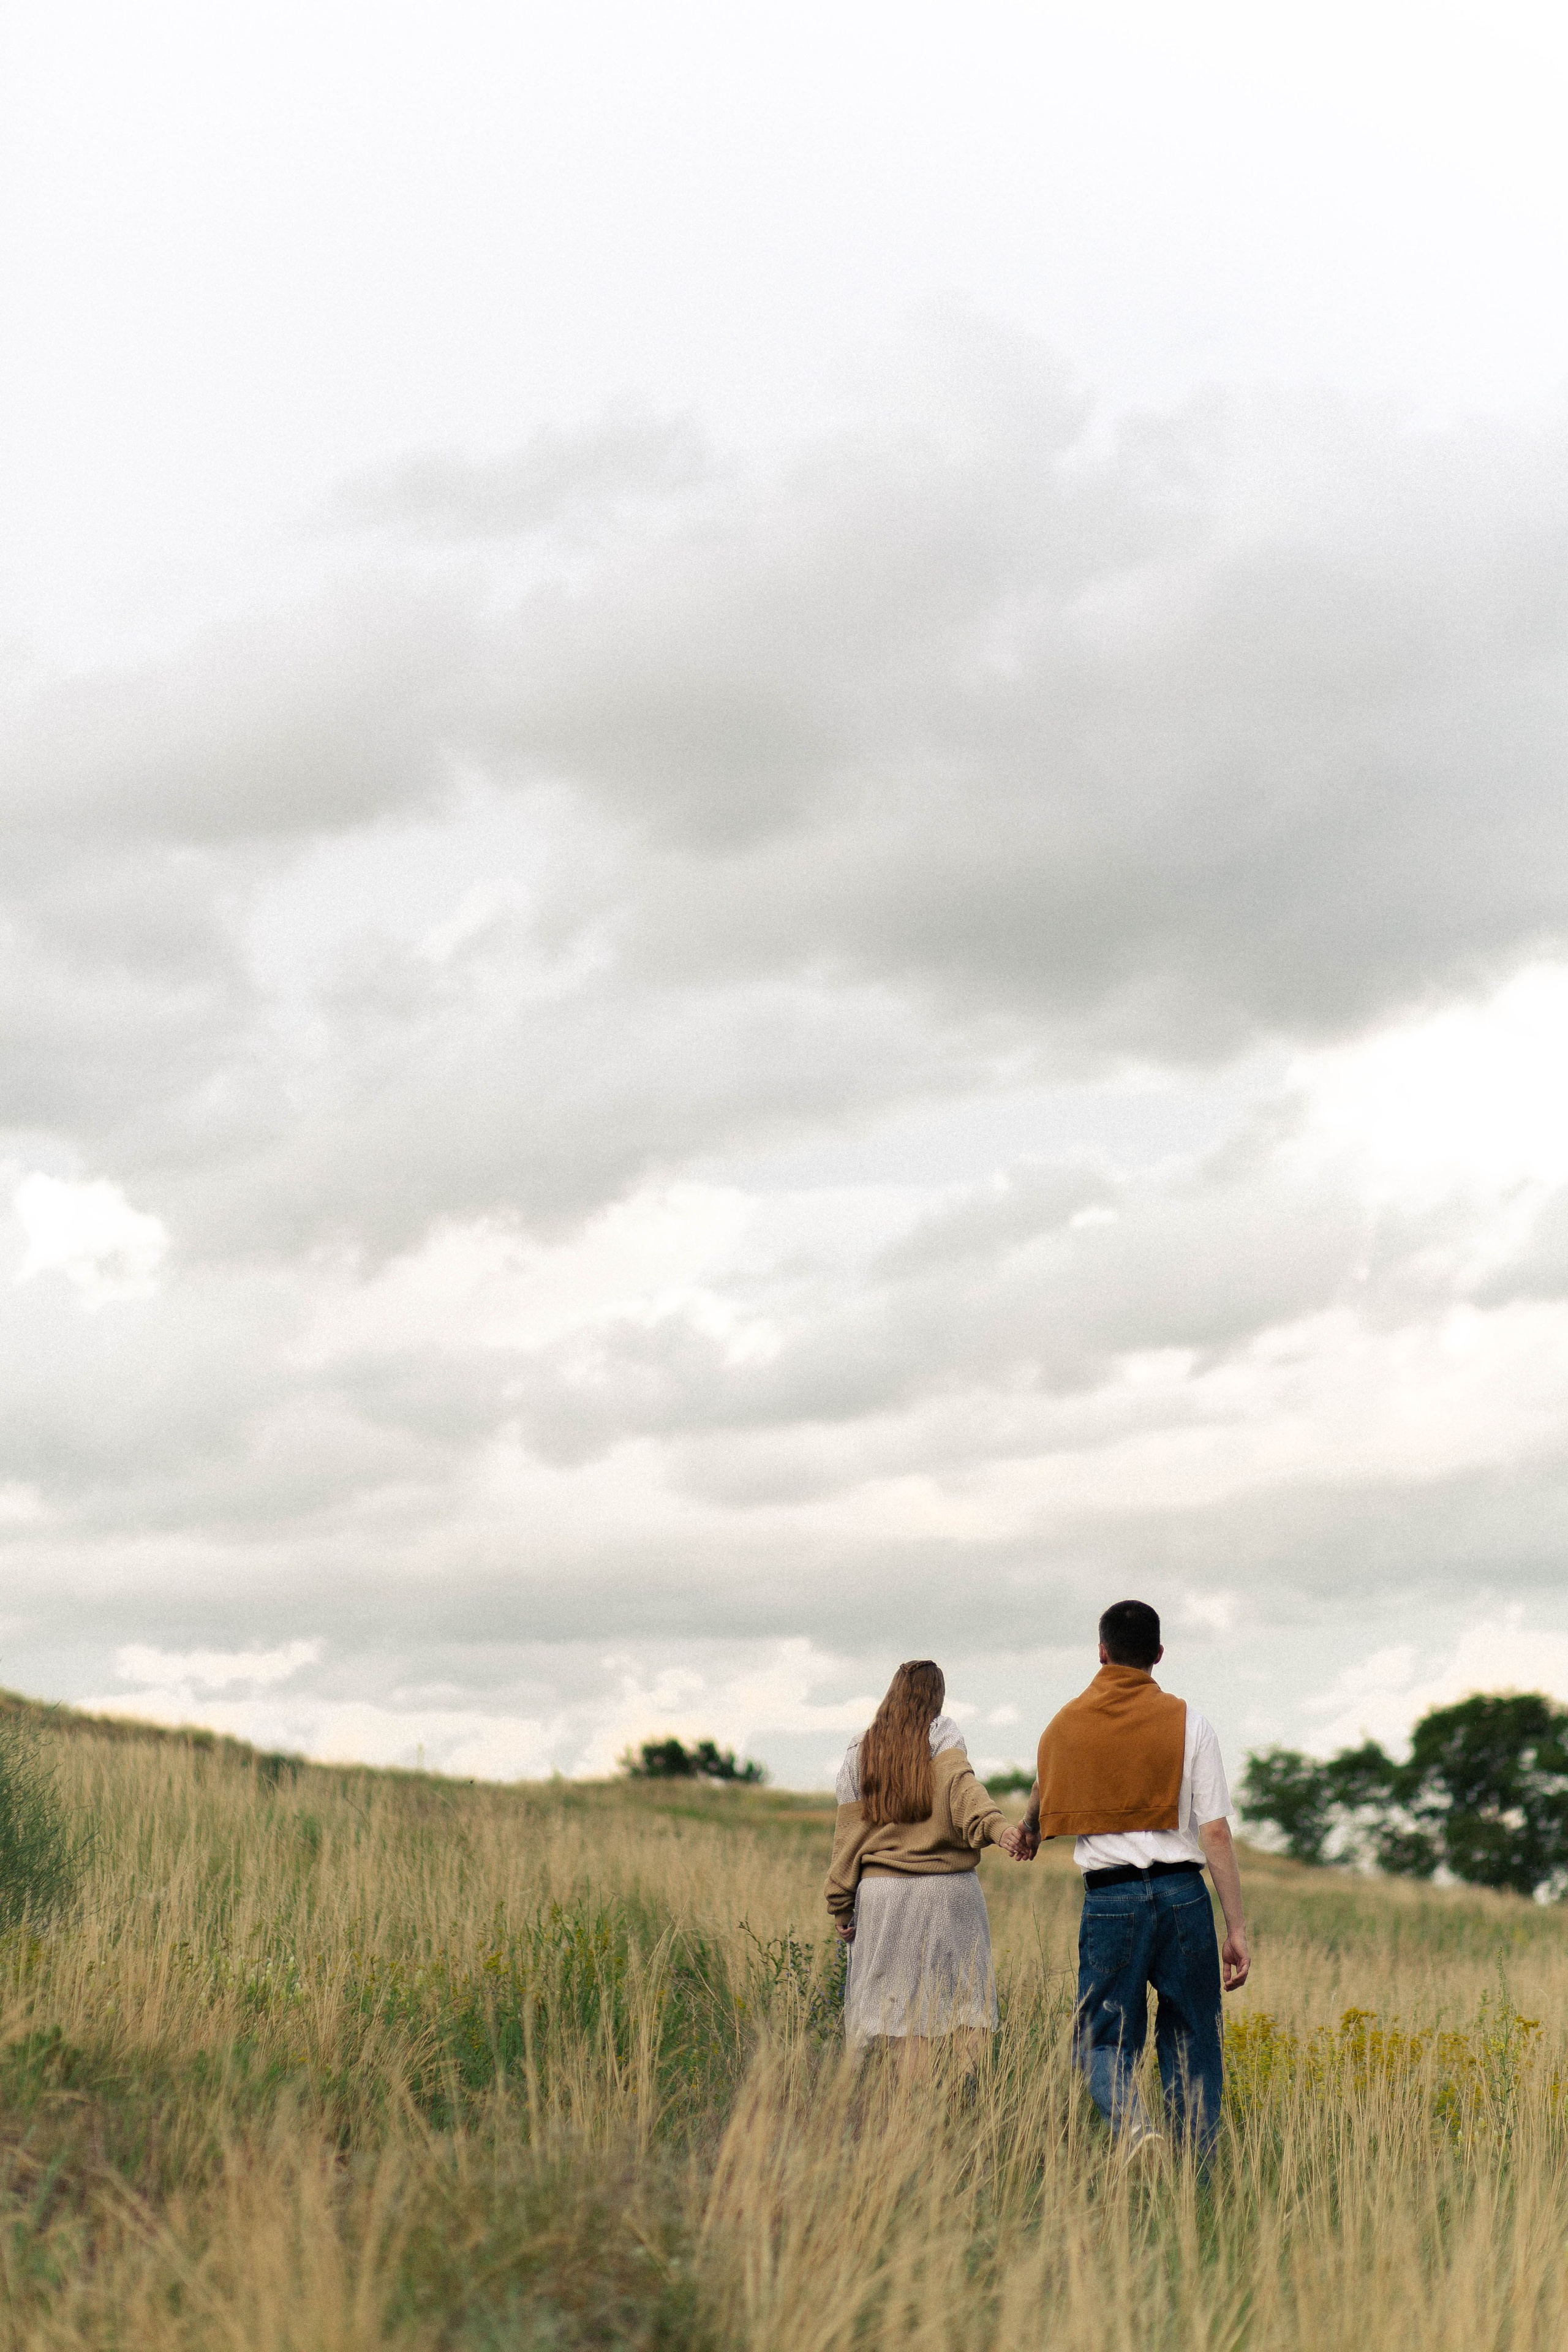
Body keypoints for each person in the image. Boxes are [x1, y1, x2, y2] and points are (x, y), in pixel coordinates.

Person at [1016, 1600, 1250, 2165]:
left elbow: (1046, 1784)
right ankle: (1197, 2188)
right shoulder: (1191, 1722)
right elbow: (1214, 1832)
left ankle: (1134, 2128)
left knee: (1102, 2039)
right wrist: (1236, 1927)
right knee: (1194, 2042)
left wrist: (1028, 1827)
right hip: (1184, 1899)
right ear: (1159, 1656)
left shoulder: (1064, 1725)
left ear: (1102, 1652)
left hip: (1111, 1900)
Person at [825, 1659, 1030, 2060]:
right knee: (965, 2006)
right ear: (937, 1697)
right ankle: (966, 2101)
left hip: (882, 1897)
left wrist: (840, 1906)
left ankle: (913, 2114)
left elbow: (847, 1837)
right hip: (948, 1894)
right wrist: (999, 1828)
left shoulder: (860, 1752)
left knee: (901, 2016)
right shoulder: (946, 1740)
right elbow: (966, 1793)